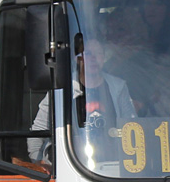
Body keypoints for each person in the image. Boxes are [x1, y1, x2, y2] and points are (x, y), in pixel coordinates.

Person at [28, 36, 137, 165]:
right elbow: (39, 129)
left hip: (112, 167)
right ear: (77, 58)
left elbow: (132, 127)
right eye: (88, 54)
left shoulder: (118, 87)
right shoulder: (60, 88)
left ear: (104, 58)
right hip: (69, 167)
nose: (93, 59)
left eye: (99, 54)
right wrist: (38, 161)